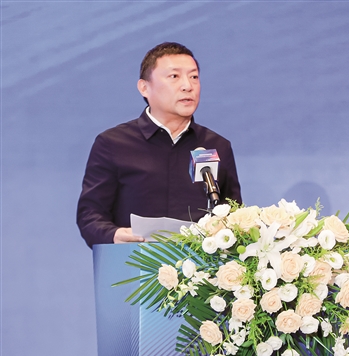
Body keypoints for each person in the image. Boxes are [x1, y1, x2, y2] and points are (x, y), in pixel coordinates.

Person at [77, 42, 242, 248]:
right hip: (133, 261)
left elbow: (233, 212)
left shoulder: (216, 146)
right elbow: (90, 214)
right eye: (174, 76)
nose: (187, 86)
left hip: (200, 264)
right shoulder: (113, 144)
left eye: (194, 77)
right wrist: (114, 235)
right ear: (144, 87)